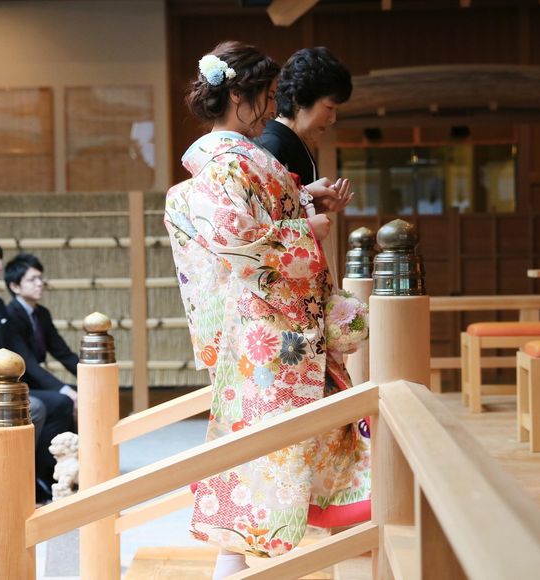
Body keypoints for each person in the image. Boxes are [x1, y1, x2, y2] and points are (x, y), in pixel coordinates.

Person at [165, 41, 370, 579]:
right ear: (240, 97)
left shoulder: (235, 158)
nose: (272, 107)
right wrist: (307, 229)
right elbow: (238, 239)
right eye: (268, 96)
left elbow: (258, 217)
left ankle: (256, 558)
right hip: (271, 335)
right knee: (270, 447)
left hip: (276, 330)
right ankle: (240, 561)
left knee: (290, 441)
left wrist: (302, 202)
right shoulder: (227, 162)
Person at [0, 234, 73, 501]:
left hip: (3, 382)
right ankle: (19, 479)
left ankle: (46, 474)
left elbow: (28, 353)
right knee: (38, 405)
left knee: (60, 401)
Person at [257, 47, 353, 213]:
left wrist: (318, 205)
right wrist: (306, 197)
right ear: (300, 98)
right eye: (329, 107)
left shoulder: (292, 142)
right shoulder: (272, 144)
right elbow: (264, 215)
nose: (333, 119)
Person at [4, 253, 78, 405]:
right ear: (15, 286)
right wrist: (64, 390)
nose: (39, 283)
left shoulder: (42, 313)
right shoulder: (9, 316)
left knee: (86, 392)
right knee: (65, 400)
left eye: (40, 278)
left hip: (37, 382)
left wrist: (91, 375)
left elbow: (63, 353)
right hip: (18, 385)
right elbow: (27, 363)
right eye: (32, 279)